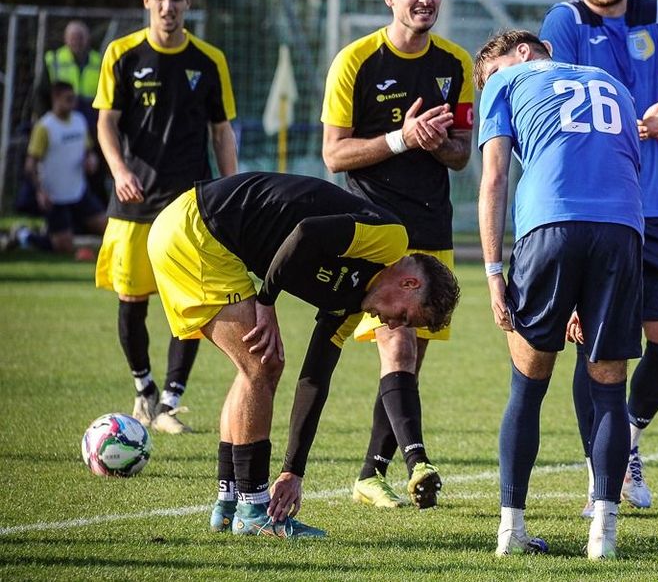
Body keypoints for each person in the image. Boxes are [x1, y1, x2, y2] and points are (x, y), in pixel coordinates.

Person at [146, 171, 460, 538]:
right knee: (261, 365)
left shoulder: (351, 307)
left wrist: (293, 471)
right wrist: (266, 301)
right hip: (198, 231)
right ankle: (253, 509)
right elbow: (307, 232)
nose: (392, 325)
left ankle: (229, 503)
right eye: (405, 316)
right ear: (410, 283)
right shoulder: (391, 240)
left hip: (194, 232)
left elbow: (315, 379)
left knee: (256, 366)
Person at [540, 0, 658, 513]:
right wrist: (637, 125)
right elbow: (566, 115)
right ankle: (598, 470)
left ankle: (627, 435)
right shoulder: (566, 23)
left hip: (654, 209)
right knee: (598, 345)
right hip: (598, 208)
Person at [476, 30, 643, 559]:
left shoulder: (506, 81)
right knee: (610, 390)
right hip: (622, 230)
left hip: (549, 226)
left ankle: (511, 530)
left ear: (522, 53)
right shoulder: (613, 83)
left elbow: (495, 177)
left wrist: (493, 270)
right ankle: (604, 537)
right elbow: (624, 165)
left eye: (490, 71)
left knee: (527, 387)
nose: (488, 82)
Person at [321, 0, 474, 511]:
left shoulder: (455, 63)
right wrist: (401, 139)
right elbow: (334, 153)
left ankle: (369, 474)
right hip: (376, 234)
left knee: (410, 362)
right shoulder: (355, 61)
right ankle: (418, 460)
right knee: (398, 348)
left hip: (433, 231)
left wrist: (440, 144)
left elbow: (461, 155)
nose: (425, 0)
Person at [93, 0, 238, 435]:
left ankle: (171, 402)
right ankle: (144, 389)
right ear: (146, 1)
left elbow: (222, 132)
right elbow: (106, 123)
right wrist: (118, 171)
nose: (168, 7)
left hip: (189, 207)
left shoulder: (209, 61)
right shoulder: (122, 54)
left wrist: (231, 189)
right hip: (134, 205)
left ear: (187, 3)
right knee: (131, 304)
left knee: (189, 306)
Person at [23, 81, 106, 254]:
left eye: (73, 98)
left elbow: (88, 150)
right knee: (64, 247)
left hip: (78, 190)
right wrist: (40, 191)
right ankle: (26, 236)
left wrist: (91, 160)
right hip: (54, 195)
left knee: (107, 227)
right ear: (56, 99)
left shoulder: (79, 121)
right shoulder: (45, 127)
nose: (72, 103)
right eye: (68, 99)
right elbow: (30, 165)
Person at [39, 21, 107, 202]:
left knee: (93, 164)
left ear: (88, 39)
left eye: (81, 37)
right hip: (63, 120)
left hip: (91, 120)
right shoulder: (54, 59)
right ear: (65, 39)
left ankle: (93, 205)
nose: (77, 41)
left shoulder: (97, 60)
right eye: (73, 37)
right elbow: (42, 92)